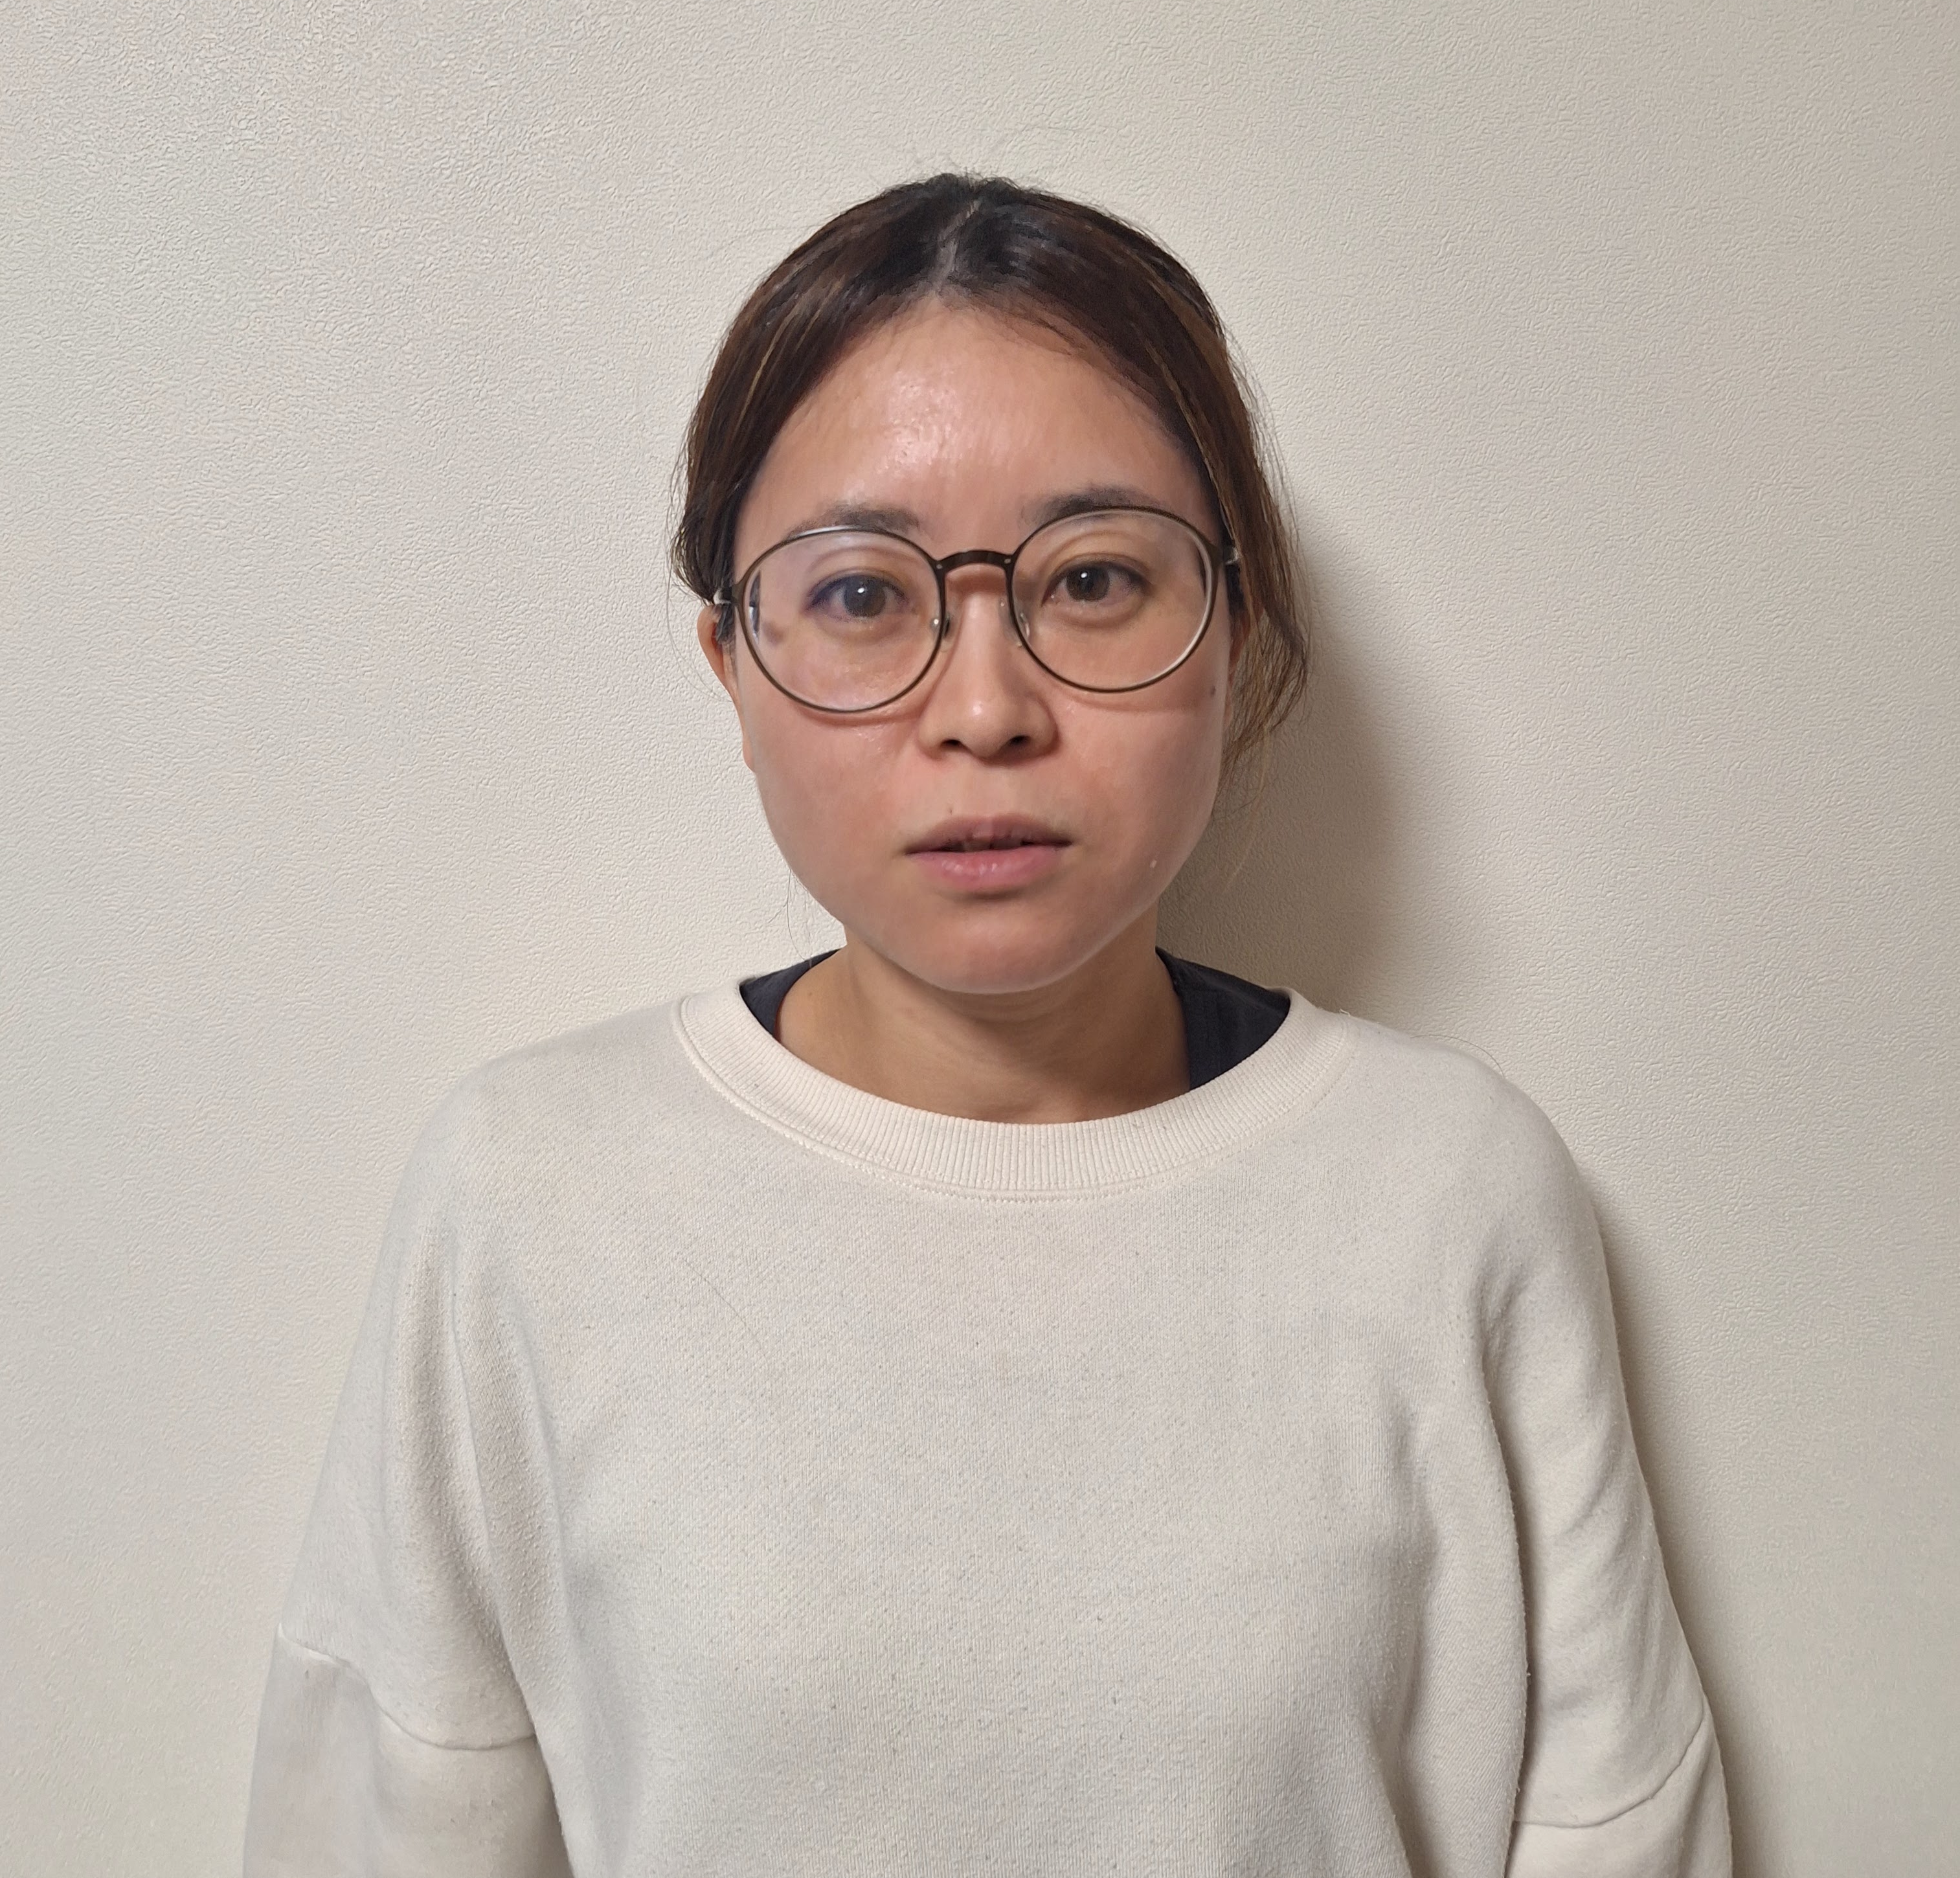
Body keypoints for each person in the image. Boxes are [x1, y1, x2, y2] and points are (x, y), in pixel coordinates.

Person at [244, 176, 1730, 1877]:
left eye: (1091, 578)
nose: (983, 708)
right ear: (732, 663)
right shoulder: (531, 1191)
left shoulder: (1449, 1194)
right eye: (861, 596)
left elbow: (1621, 1828)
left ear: (1232, 628)